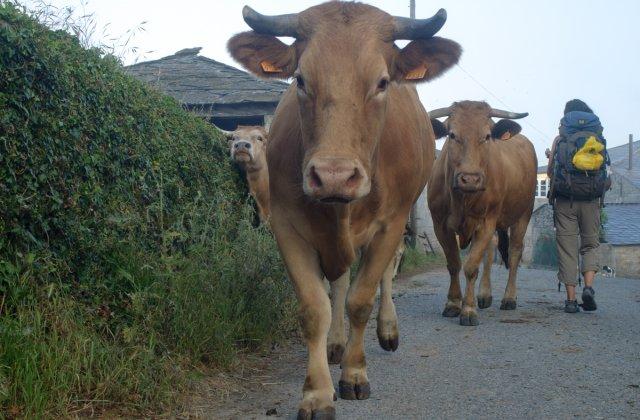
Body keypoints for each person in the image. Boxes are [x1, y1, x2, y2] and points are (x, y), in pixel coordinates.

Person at [546, 99, 610, 313]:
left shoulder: (560, 139)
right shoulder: (598, 139)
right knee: (590, 245)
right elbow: (606, 171)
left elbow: (549, 173)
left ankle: (571, 301)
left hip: (565, 201)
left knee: (567, 249)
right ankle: (589, 288)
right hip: (591, 201)